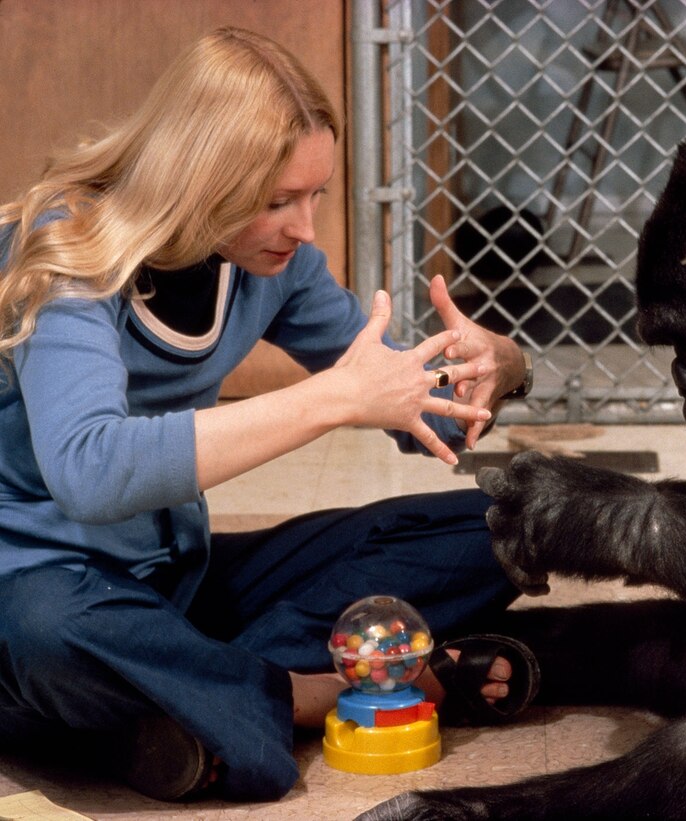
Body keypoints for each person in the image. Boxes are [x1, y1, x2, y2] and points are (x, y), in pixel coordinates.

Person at [0, 27, 538, 802]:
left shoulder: (273, 268)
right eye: (277, 200)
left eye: (315, 194)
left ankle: (188, 699)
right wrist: (330, 400)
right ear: (197, 178)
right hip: (43, 591)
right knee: (49, 634)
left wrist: (502, 363)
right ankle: (313, 691)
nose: (306, 227)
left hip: (175, 583)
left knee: (513, 522)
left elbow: (431, 414)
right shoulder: (70, 250)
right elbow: (91, 470)